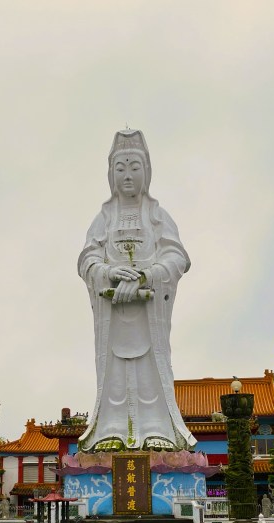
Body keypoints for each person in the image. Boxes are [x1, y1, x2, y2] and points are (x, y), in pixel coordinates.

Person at [77, 129, 195, 453]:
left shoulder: (157, 216)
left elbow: (177, 257)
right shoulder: (103, 219)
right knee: (113, 369)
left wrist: (147, 275)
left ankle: (158, 428)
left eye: (134, 167)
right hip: (113, 310)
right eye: (121, 168)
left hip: (148, 307)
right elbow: (87, 258)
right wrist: (109, 272)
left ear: (147, 171)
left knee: (151, 367)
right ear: (111, 174)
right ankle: (111, 429)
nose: (127, 175)